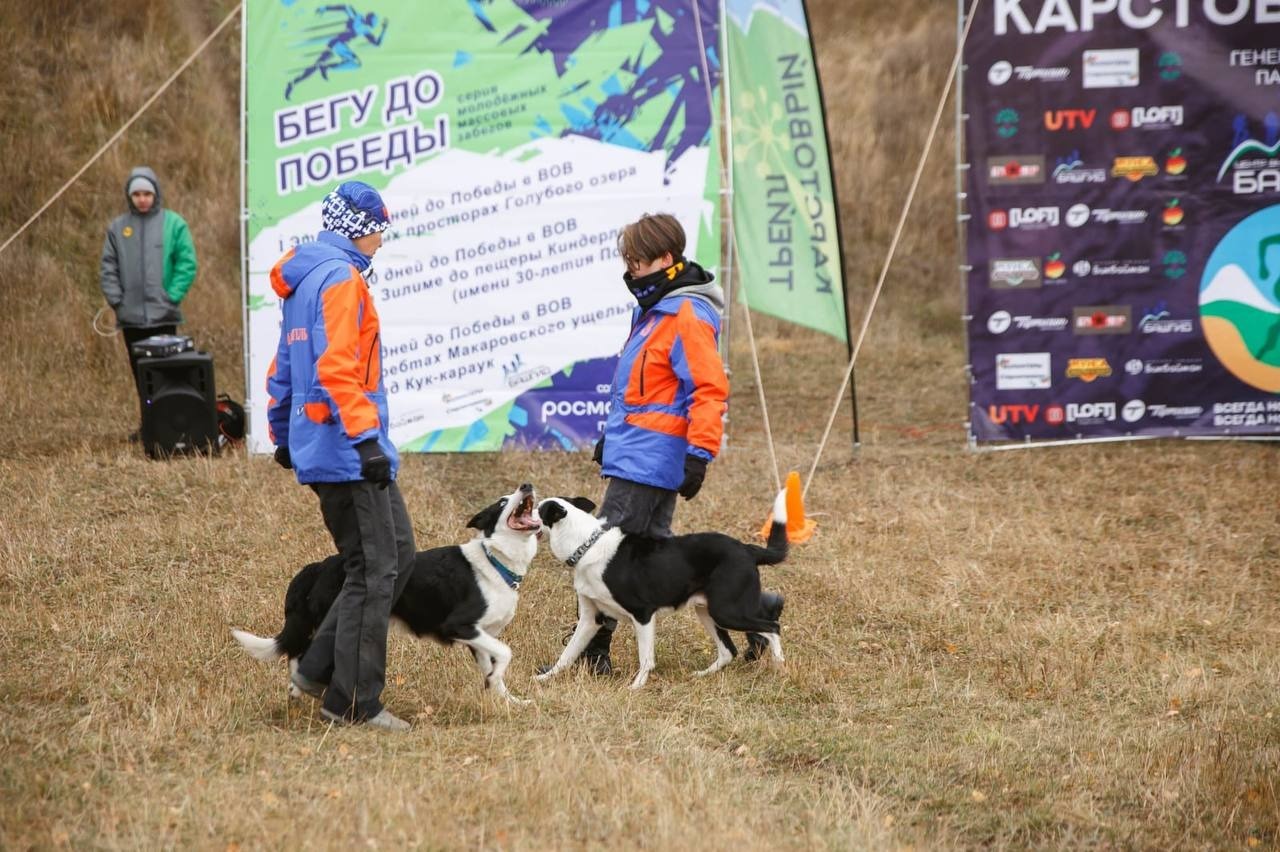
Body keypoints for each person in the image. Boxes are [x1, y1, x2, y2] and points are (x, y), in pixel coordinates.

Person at [545, 213, 733, 675]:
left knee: (603, 554)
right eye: (627, 261)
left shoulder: (685, 314)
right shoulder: (653, 309)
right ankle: (748, 619)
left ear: (666, 260)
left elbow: (708, 389)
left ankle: (593, 648)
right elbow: (641, 390)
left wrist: (700, 453)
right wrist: (612, 439)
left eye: (637, 262)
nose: (630, 272)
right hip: (636, 454)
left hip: (653, 461)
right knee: (650, 553)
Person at [265, 180, 416, 732]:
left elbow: (284, 364)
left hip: (324, 443)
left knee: (396, 552)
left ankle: (317, 666)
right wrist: (366, 439)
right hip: (348, 448)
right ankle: (352, 701)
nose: (381, 239)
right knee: (375, 569)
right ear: (358, 227)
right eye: (378, 228)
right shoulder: (341, 279)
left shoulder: (305, 280)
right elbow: (335, 368)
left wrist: (283, 432)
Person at [99, 166, 198, 440]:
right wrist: (117, 301)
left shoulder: (173, 224)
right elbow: (108, 267)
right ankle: (149, 426)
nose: (142, 199)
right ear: (130, 197)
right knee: (140, 374)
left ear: (156, 194)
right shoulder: (118, 228)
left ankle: (171, 424)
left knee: (166, 374)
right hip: (131, 319)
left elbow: (187, 264)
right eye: (137, 194)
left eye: (147, 193)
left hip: (163, 317)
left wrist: (171, 296)